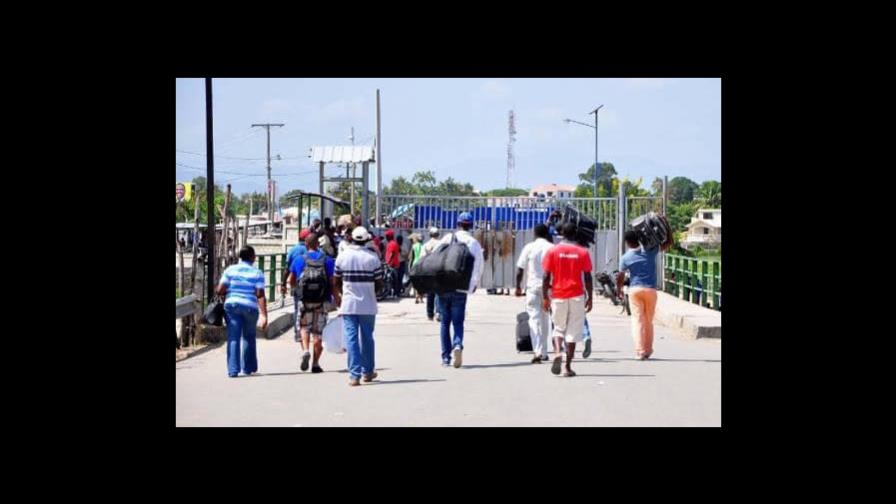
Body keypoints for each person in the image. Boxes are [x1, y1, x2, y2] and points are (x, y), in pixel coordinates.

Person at [333, 226, 385, 386]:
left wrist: (340, 296)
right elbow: (379, 283)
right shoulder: (372, 258)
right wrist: (370, 291)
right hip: (368, 304)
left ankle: (354, 375)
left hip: (349, 304)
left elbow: (335, 281)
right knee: (368, 338)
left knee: (351, 338)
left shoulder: (342, 257)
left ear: (351, 238)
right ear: (366, 239)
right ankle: (367, 372)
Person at [541, 222, 593, 377]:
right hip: (577, 295)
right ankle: (567, 367)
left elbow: (545, 276)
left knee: (558, 328)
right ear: (575, 233)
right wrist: (590, 298)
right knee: (572, 333)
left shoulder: (553, 251)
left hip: (558, 295)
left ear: (561, 233)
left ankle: (557, 352)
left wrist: (545, 297)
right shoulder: (582, 252)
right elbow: (588, 276)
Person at [436, 212, 484, 368]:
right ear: (470, 225)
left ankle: (445, 358)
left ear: (457, 224)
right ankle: (457, 344)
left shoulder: (447, 238)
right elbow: (478, 266)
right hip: (461, 287)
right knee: (458, 321)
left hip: (444, 286)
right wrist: (473, 284)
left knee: (445, 322)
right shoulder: (473, 243)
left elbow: (435, 256)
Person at [617, 228, 671, 360]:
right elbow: (668, 243)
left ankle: (640, 351)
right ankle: (648, 350)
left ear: (627, 242)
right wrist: (667, 227)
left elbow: (620, 276)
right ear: (639, 239)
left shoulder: (625, 258)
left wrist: (618, 289)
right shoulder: (650, 251)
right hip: (651, 290)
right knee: (648, 321)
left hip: (635, 290)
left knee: (638, 321)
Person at [216, 246, 268, 378]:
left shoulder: (230, 270)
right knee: (249, 337)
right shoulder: (257, 273)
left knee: (233, 337)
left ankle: (233, 370)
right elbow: (260, 294)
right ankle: (248, 368)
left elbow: (220, 290)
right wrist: (264, 315)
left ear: (240, 257)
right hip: (250, 307)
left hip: (232, 306)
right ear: (252, 257)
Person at [288, 232, 336, 373]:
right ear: (318, 244)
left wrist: (295, 288)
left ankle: (305, 350)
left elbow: (292, 279)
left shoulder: (299, 260)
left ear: (306, 244)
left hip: (304, 300)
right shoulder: (327, 260)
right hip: (322, 300)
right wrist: (337, 297)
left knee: (304, 327)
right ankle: (315, 364)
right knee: (318, 332)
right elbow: (333, 282)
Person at [515, 224, 554, 363]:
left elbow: (520, 269)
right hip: (548, 289)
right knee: (545, 319)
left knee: (534, 319)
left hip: (532, 288)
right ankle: (543, 351)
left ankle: (537, 351)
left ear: (534, 233)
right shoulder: (552, 248)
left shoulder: (529, 247)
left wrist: (518, 287)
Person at [281, 228, 310, 342]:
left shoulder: (293, 250)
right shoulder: (313, 249)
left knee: (297, 308)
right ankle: (309, 332)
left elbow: (287, 269)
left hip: (297, 283)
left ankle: (298, 333)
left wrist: (283, 283)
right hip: (312, 284)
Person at [420, 227, 442, 321]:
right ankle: (438, 312)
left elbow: (421, 259)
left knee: (430, 293)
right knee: (438, 293)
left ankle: (429, 314)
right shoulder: (441, 244)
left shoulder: (425, 245)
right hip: (439, 271)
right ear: (438, 234)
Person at [384, 229, 401, 298]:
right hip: (394, 264)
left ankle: (393, 293)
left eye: (386, 236)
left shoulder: (391, 244)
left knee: (391, 280)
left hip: (392, 265)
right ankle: (395, 293)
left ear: (389, 236)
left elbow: (392, 253)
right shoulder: (394, 243)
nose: (386, 237)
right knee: (394, 279)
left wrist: (388, 262)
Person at [408, 233, 424, 303]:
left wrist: (410, 266)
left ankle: (416, 295)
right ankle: (420, 297)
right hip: (422, 265)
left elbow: (411, 257)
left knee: (416, 281)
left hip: (415, 264)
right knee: (422, 282)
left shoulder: (414, 246)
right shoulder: (423, 246)